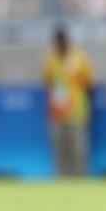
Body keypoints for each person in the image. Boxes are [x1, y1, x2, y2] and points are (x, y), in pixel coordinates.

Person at [43, 27, 94, 178]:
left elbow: (88, 85)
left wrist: (87, 109)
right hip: (57, 112)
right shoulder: (51, 59)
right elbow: (48, 83)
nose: (60, 45)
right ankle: (61, 180)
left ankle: (80, 179)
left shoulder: (79, 57)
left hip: (76, 110)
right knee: (59, 149)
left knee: (78, 149)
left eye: (62, 41)